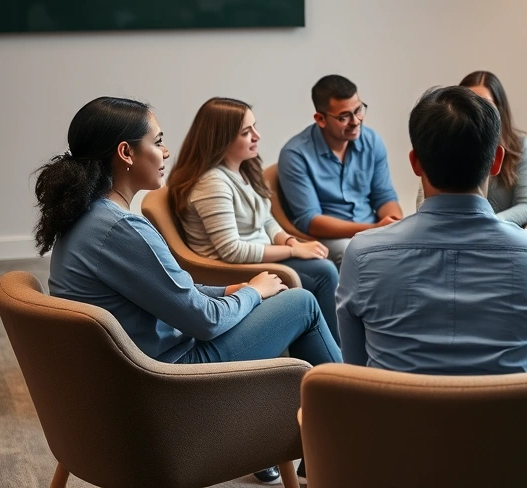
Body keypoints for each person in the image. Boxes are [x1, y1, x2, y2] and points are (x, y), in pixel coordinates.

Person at [35, 97, 340, 484]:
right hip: (168, 382)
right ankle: (350, 437)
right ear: (126, 153)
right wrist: (251, 292)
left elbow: (169, 288)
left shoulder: (86, 216)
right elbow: (205, 322)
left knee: (273, 299)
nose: (166, 152)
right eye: (158, 141)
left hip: (125, 379)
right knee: (302, 304)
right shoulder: (122, 230)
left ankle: (268, 438)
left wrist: (228, 290)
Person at [335, 86, 527, 375]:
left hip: (398, 406)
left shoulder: (361, 255)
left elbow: (358, 372)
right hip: (514, 406)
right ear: (497, 161)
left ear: (415, 163)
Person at [167, 97, 340, 342]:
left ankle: (331, 346)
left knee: (321, 261)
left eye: (254, 127)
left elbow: (266, 220)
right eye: (246, 132)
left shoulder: (243, 169)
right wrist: (293, 251)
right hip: (231, 268)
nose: (257, 136)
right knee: (324, 271)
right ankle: (336, 350)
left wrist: (291, 242)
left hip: (260, 255)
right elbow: (232, 250)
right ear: (221, 139)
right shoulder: (212, 184)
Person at [278, 74, 402, 265]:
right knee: (353, 253)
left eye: (358, 110)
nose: (356, 121)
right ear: (320, 119)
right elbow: (310, 220)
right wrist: (372, 229)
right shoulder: (295, 154)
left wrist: (395, 223)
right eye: (344, 117)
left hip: (371, 227)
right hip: (330, 236)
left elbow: (384, 196)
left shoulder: (372, 141)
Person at [418, 71, 527, 226]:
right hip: (449, 228)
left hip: (500, 231)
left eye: (485, 104)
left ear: (496, 159)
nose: (476, 113)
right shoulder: (445, 142)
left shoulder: (521, 144)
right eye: (468, 104)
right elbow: (424, 197)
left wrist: (487, 223)